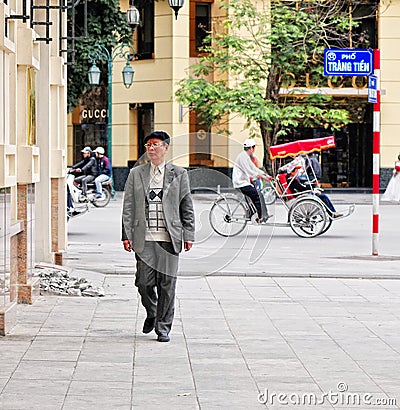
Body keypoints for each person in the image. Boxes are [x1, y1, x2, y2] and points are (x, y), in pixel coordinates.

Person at [121, 131, 195, 343]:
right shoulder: (137, 173)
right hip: (144, 239)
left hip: (169, 238)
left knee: (167, 285)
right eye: (147, 145)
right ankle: (153, 312)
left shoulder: (179, 174)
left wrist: (188, 233)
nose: (150, 148)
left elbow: (186, 206)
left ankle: (163, 327)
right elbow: (128, 206)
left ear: (165, 147)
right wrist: (126, 234)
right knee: (143, 283)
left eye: (155, 144)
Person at [232, 139, 272, 222]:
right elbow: (249, 171)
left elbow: (253, 168)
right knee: (256, 194)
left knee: (257, 193)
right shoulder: (242, 157)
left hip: (244, 182)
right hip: (240, 183)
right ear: (250, 148)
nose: (254, 150)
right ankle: (260, 217)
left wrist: (265, 174)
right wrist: (262, 177)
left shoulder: (246, 156)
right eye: (254, 148)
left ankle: (254, 213)